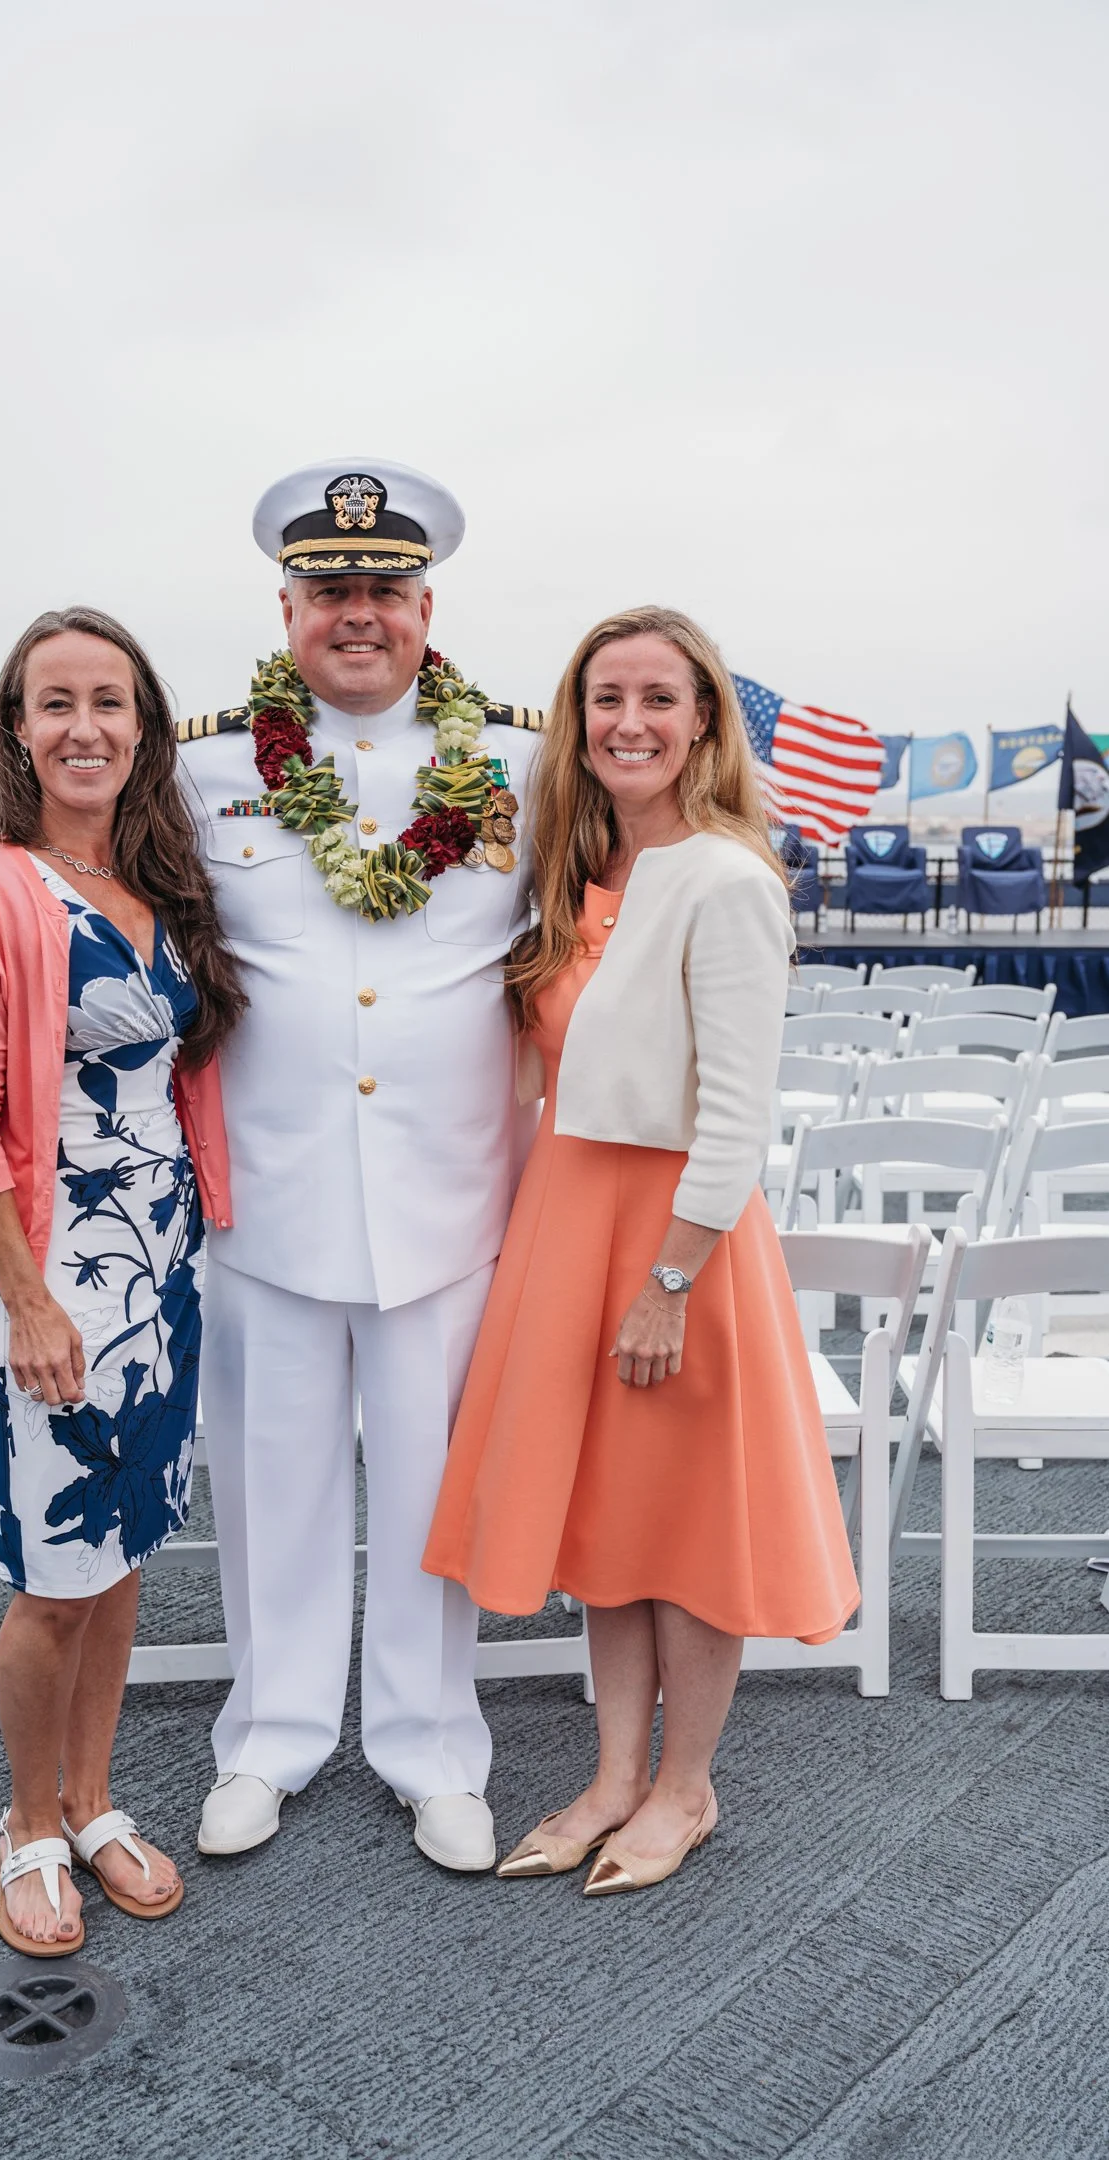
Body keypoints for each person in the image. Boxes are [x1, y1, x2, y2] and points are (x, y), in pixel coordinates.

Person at [423, 605, 860, 1895]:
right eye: (606, 698)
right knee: (607, 1519)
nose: (630, 722)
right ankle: (615, 1774)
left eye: (660, 699)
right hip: (573, 1223)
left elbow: (738, 1111)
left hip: (680, 1243)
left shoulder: (727, 880)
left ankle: (687, 1788)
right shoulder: (577, 876)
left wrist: (671, 1278)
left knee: (686, 1528)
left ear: (706, 720)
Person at [176, 460, 544, 1871]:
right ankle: (268, 1740)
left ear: (426, 604)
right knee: (272, 1486)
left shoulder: (517, 763)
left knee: (430, 1490)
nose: (359, 615)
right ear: (287, 606)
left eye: (384, 590)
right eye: (331, 591)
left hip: (448, 1198)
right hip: (267, 1199)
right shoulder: (206, 769)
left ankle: (432, 1745)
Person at [0, 605, 244, 1954]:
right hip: (51, 1274)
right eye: (55, 703)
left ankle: (96, 1798)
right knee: (53, 1572)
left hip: (162, 1267)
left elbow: (179, 1080)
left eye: (108, 701)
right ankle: (27, 1824)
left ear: (143, 727)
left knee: (121, 1556)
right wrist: (31, 1301)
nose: (85, 727)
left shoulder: (163, 891)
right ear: (15, 731)